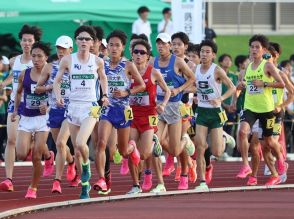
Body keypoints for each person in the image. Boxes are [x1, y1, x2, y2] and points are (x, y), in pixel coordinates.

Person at [53, 25, 109, 199]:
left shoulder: (97, 61)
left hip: (90, 106)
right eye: (81, 38)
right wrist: (57, 96)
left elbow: (103, 78)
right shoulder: (67, 60)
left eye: (87, 39)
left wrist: (105, 95)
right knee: (78, 150)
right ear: (76, 41)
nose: (84, 42)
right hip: (73, 106)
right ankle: (84, 186)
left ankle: (86, 168)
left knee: (79, 142)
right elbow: (56, 81)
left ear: (92, 42)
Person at [95, 30, 145, 194]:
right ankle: (102, 180)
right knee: (102, 143)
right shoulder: (101, 63)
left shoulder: (128, 65)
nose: (114, 48)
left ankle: (132, 147)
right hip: (107, 109)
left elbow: (141, 85)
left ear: (123, 47)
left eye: (117, 45)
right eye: (111, 45)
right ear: (106, 47)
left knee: (123, 152)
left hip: (123, 110)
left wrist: (126, 93)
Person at [237, 34, 287, 185]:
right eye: (252, 47)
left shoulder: (268, 65)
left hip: (266, 109)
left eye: (257, 47)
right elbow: (245, 84)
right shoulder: (247, 66)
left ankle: (280, 158)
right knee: (242, 132)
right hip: (250, 107)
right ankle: (246, 166)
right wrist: (241, 87)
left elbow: (281, 84)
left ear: (263, 49)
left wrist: (264, 84)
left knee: (269, 142)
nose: (254, 49)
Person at [150, 32, 195, 192]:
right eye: (158, 43)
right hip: (159, 106)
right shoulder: (152, 61)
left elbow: (192, 78)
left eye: (164, 43)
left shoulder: (178, 61)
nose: (161, 46)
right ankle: (160, 184)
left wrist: (179, 89)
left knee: (175, 150)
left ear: (169, 45)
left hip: (175, 107)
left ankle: (185, 141)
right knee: (155, 143)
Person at [0, 24, 42, 192]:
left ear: (35, 42)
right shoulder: (13, 61)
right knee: (10, 140)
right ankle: (8, 179)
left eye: (30, 41)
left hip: (34, 106)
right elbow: (13, 75)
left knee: (23, 153)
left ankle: (46, 155)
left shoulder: (39, 62)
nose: (26, 43)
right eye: (24, 40)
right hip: (15, 104)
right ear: (20, 42)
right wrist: (4, 82)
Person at [127, 39, 170, 194]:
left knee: (144, 154)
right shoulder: (126, 70)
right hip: (131, 115)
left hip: (149, 115)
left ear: (147, 56)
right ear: (131, 54)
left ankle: (153, 142)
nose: (138, 55)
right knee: (130, 149)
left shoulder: (153, 72)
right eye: (135, 52)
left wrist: (163, 104)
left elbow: (168, 91)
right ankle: (135, 185)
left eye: (142, 52)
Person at [35, 36, 77, 193]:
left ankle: (57, 181)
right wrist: (49, 88)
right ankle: (71, 161)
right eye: (59, 48)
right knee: (62, 144)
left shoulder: (77, 68)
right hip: (54, 111)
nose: (60, 51)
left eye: (64, 49)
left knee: (60, 143)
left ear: (71, 50)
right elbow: (37, 88)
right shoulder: (49, 67)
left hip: (70, 110)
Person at [12, 42, 53, 199]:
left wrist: (48, 106)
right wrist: (16, 110)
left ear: (46, 58)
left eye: (39, 56)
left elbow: (58, 95)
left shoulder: (52, 74)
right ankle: (49, 155)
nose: (36, 59)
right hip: (27, 117)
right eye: (34, 56)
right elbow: (18, 92)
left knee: (36, 155)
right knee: (21, 154)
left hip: (44, 119)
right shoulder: (24, 73)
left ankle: (33, 188)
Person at [194, 40, 236, 190]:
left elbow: (232, 87)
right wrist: (193, 94)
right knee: (200, 146)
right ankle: (202, 182)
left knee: (217, 152)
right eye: (202, 51)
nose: (204, 54)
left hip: (216, 112)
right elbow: (194, 85)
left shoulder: (216, 70)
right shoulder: (196, 68)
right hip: (202, 111)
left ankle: (224, 137)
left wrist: (221, 98)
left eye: (207, 52)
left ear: (213, 55)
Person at [219, 54, 238, 139]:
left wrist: (234, 104)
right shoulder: (217, 74)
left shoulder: (233, 76)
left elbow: (235, 91)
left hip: (231, 108)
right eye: (226, 60)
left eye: (230, 60)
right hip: (220, 106)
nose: (228, 62)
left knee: (229, 129)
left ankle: (225, 151)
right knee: (220, 128)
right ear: (220, 62)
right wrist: (223, 104)